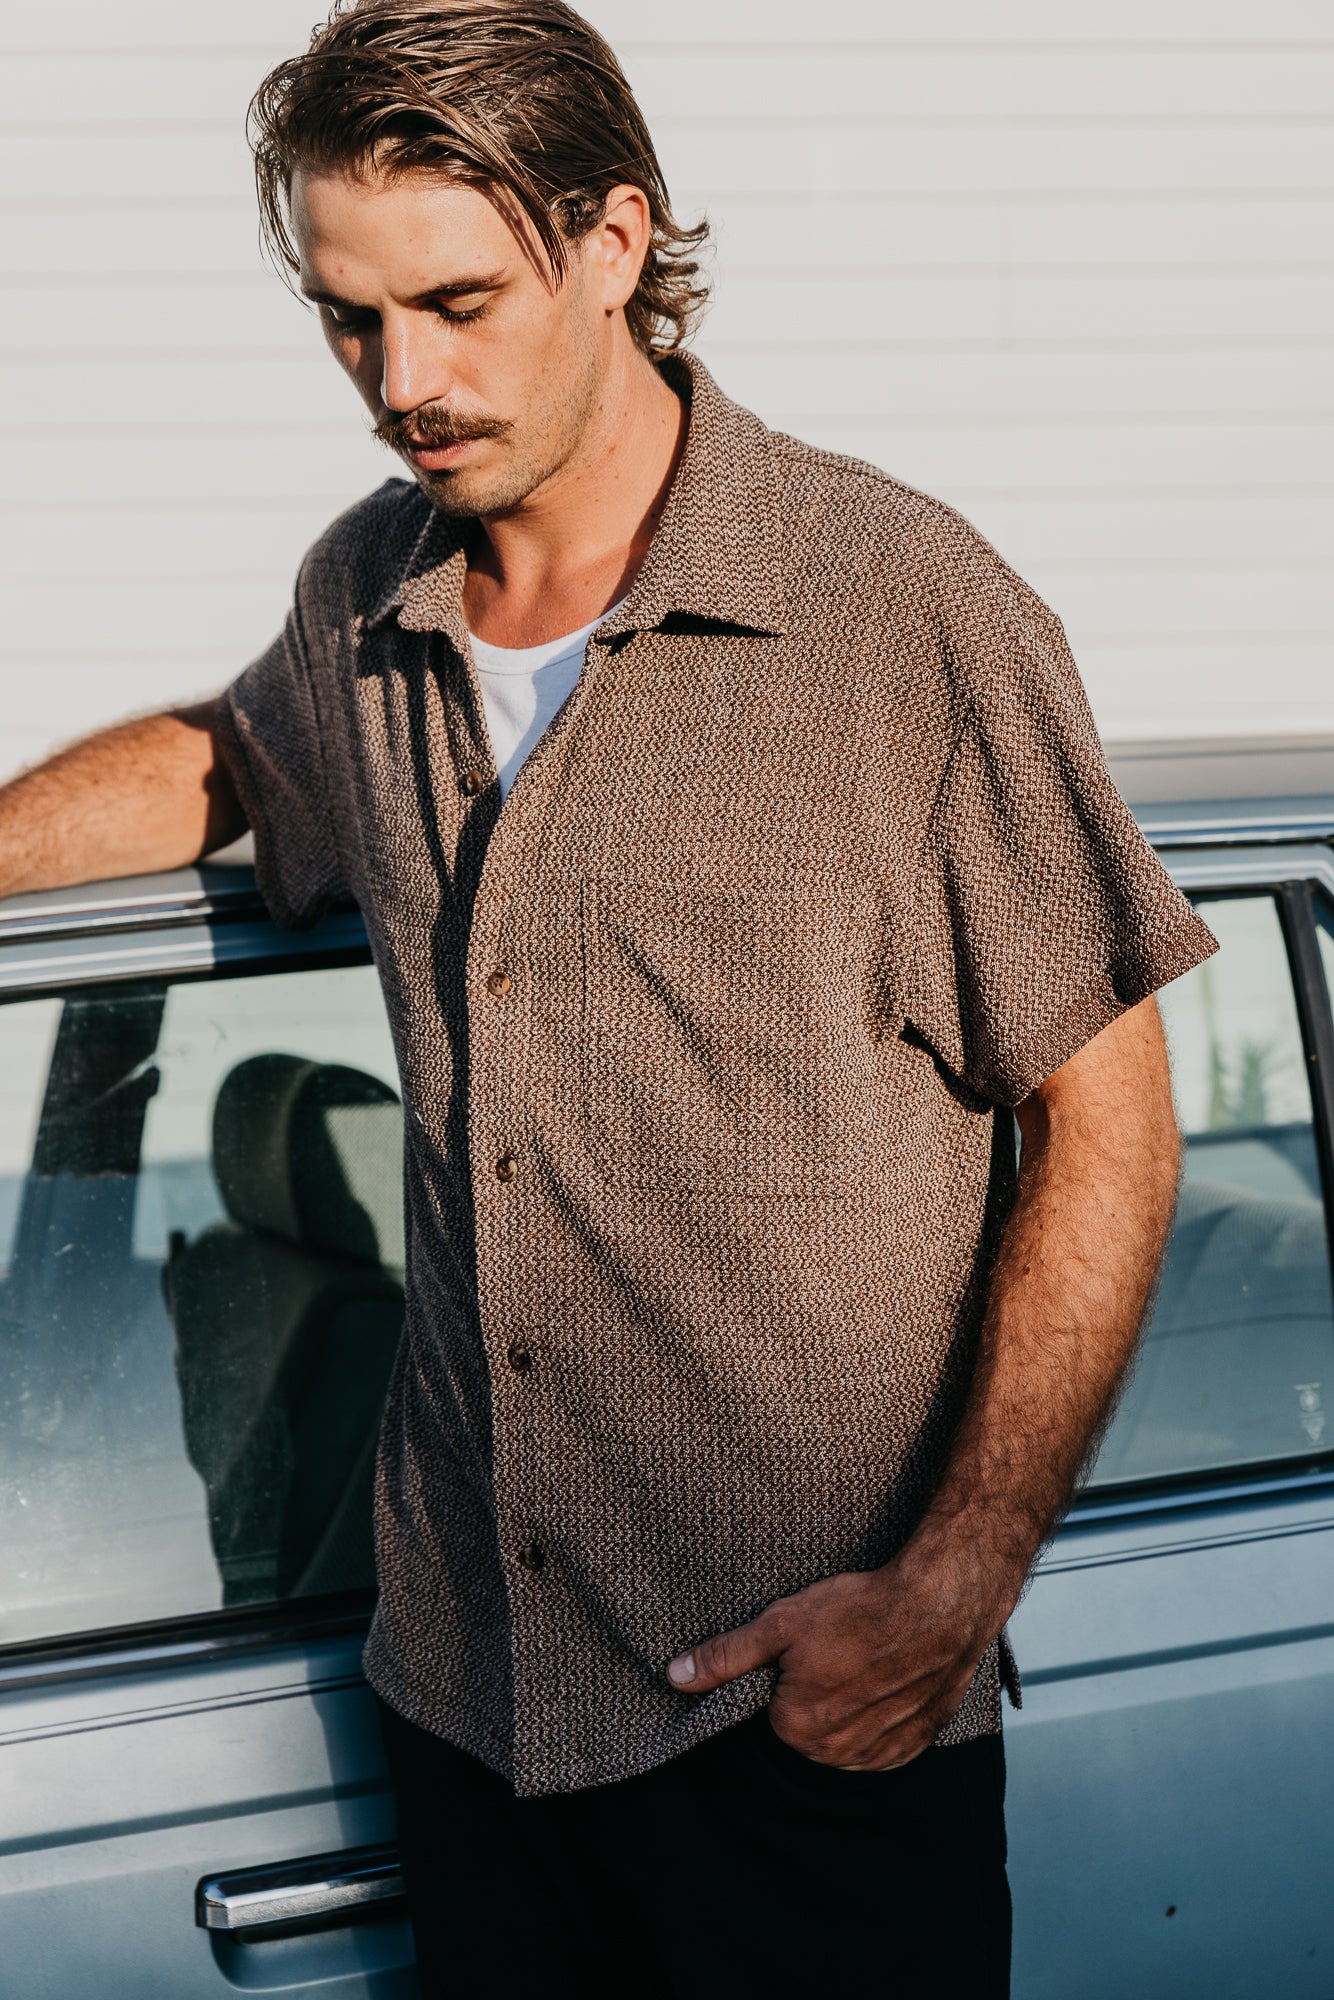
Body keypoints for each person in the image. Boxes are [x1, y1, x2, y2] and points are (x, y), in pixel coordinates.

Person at [0, 3, 1218, 1992]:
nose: (405, 379)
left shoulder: (895, 608)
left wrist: (949, 1588)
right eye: (349, 319)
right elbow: (234, 763)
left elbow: (1109, 1117)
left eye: (459, 301)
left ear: (613, 239)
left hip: (799, 1735)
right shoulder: (361, 600)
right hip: (472, 1719)